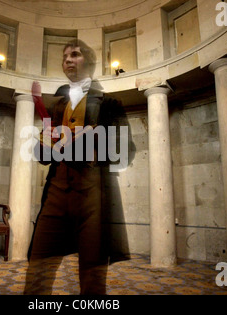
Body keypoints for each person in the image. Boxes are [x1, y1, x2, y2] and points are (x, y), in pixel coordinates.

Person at [24, 39, 134, 295]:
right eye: (64, 57)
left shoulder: (109, 104)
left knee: (93, 279)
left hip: (93, 198)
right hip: (55, 196)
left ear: (90, 61)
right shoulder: (57, 105)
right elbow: (43, 151)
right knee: (37, 271)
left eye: (74, 54)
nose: (68, 60)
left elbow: (127, 153)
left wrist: (94, 135)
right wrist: (42, 144)